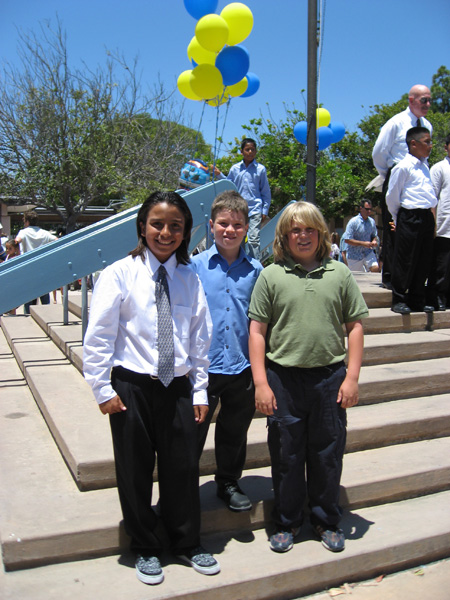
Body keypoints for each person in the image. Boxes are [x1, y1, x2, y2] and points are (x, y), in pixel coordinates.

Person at [83, 191, 220, 586]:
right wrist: (102, 389)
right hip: (132, 388)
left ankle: (186, 541)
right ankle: (144, 545)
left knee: (182, 467)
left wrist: (199, 391)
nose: (165, 232)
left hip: (177, 387)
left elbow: (199, 339)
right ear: (142, 227)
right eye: (157, 224)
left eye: (175, 226)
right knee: (134, 469)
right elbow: (99, 336)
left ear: (186, 232)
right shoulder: (119, 274)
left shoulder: (189, 278)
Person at [248, 201, 368, 555]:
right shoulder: (271, 275)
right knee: (286, 455)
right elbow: (257, 331)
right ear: (284, 237)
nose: (303, 236)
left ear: (321, 234)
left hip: (330, 379)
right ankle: (287, 521)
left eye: (310, 230)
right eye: (295, 230)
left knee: (327, 453)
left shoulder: (339, 273)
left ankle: (326, 519)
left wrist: (352, 377)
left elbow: (355, 326)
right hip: (283, 380)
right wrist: (261, 383)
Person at [190, 190, 263, 512]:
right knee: (192, 433)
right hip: (202, 368)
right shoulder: (194, 267)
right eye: (223, 223)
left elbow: (260, 321)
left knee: (234, 431)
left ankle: (228, 482)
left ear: (246, 228)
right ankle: (182, 487)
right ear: (211, 225)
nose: (229, 230)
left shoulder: (257, 271)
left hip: (241, 366)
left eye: (237, 224)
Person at [372, 84, 432, 289]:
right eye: (423, 100)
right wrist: (389, 175)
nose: (428, 104)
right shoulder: (396, 122)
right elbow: (379, 153)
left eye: (429, 100)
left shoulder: (427, 126)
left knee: (417, 233)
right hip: (398, 175)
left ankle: (412, 280)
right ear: (411, 100)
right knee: (392, 227)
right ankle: (390, 277)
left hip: (417, 180)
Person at [386, 127, 437, 314]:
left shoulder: (425, 166)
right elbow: (392, 197)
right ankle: (399, 299)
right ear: (413, 144)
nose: (430, 146)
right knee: (405, 259)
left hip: (425, 216)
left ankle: (417, 299)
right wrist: (397, 218)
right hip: (409, 215)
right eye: (427, 142)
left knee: (423, 260)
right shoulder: (403, 167)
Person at [216, 138, 271, 260]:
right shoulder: (235, 169)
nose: (250, 152)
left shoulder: (260, 169)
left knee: (253, 239)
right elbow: (229, 184)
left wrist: (264, 211)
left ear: (256, 151)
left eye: (253, 149)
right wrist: (219, 175)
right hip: (239, 209)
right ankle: (240, 262)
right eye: (247, 149)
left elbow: (265, 191)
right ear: (242, 151)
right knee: (239, 238)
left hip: (255, 209)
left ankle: (254, 265)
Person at [15, 210, 57, 313]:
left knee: (29, 299)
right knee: (44, 296)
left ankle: (29, 316)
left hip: (29, 269)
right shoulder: (44, 233)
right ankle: (46, 315)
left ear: (27, 221)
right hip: (43, 269)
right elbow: (56, 239)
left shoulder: (23, 232)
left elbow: (17, 241)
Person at [427, 133, 450, 311]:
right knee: (441, 267)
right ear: (446, 147)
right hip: (444, 227)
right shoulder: (439, 168)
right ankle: (437, 298)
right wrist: (433, 224)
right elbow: (431, 199)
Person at [343, 199, 380, 272]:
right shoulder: (353, 222)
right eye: (367, 209)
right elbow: (347, 240)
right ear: (361, 208)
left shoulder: (371, 222)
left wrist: (374, 241)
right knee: (356, 277)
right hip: (354, 256)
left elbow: (374, 235)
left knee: (375, 268)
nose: (369, 211)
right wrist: (363, 243)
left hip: (368, 253)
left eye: (370, 209)